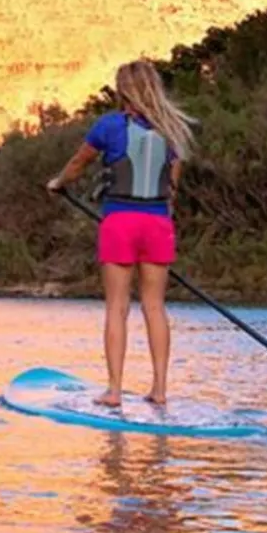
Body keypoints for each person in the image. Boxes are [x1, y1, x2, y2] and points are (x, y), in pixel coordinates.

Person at [45, 59, 195, 408]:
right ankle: (159, 390)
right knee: (155, 307)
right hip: (158, 225)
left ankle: (114, 391)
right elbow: (172, 186)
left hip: (120, 223)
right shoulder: (171, 130)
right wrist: (162, 222)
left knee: (117, 307)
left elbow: (78, 163)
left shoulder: (109, 126)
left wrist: (58, 183)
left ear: (121, 90)